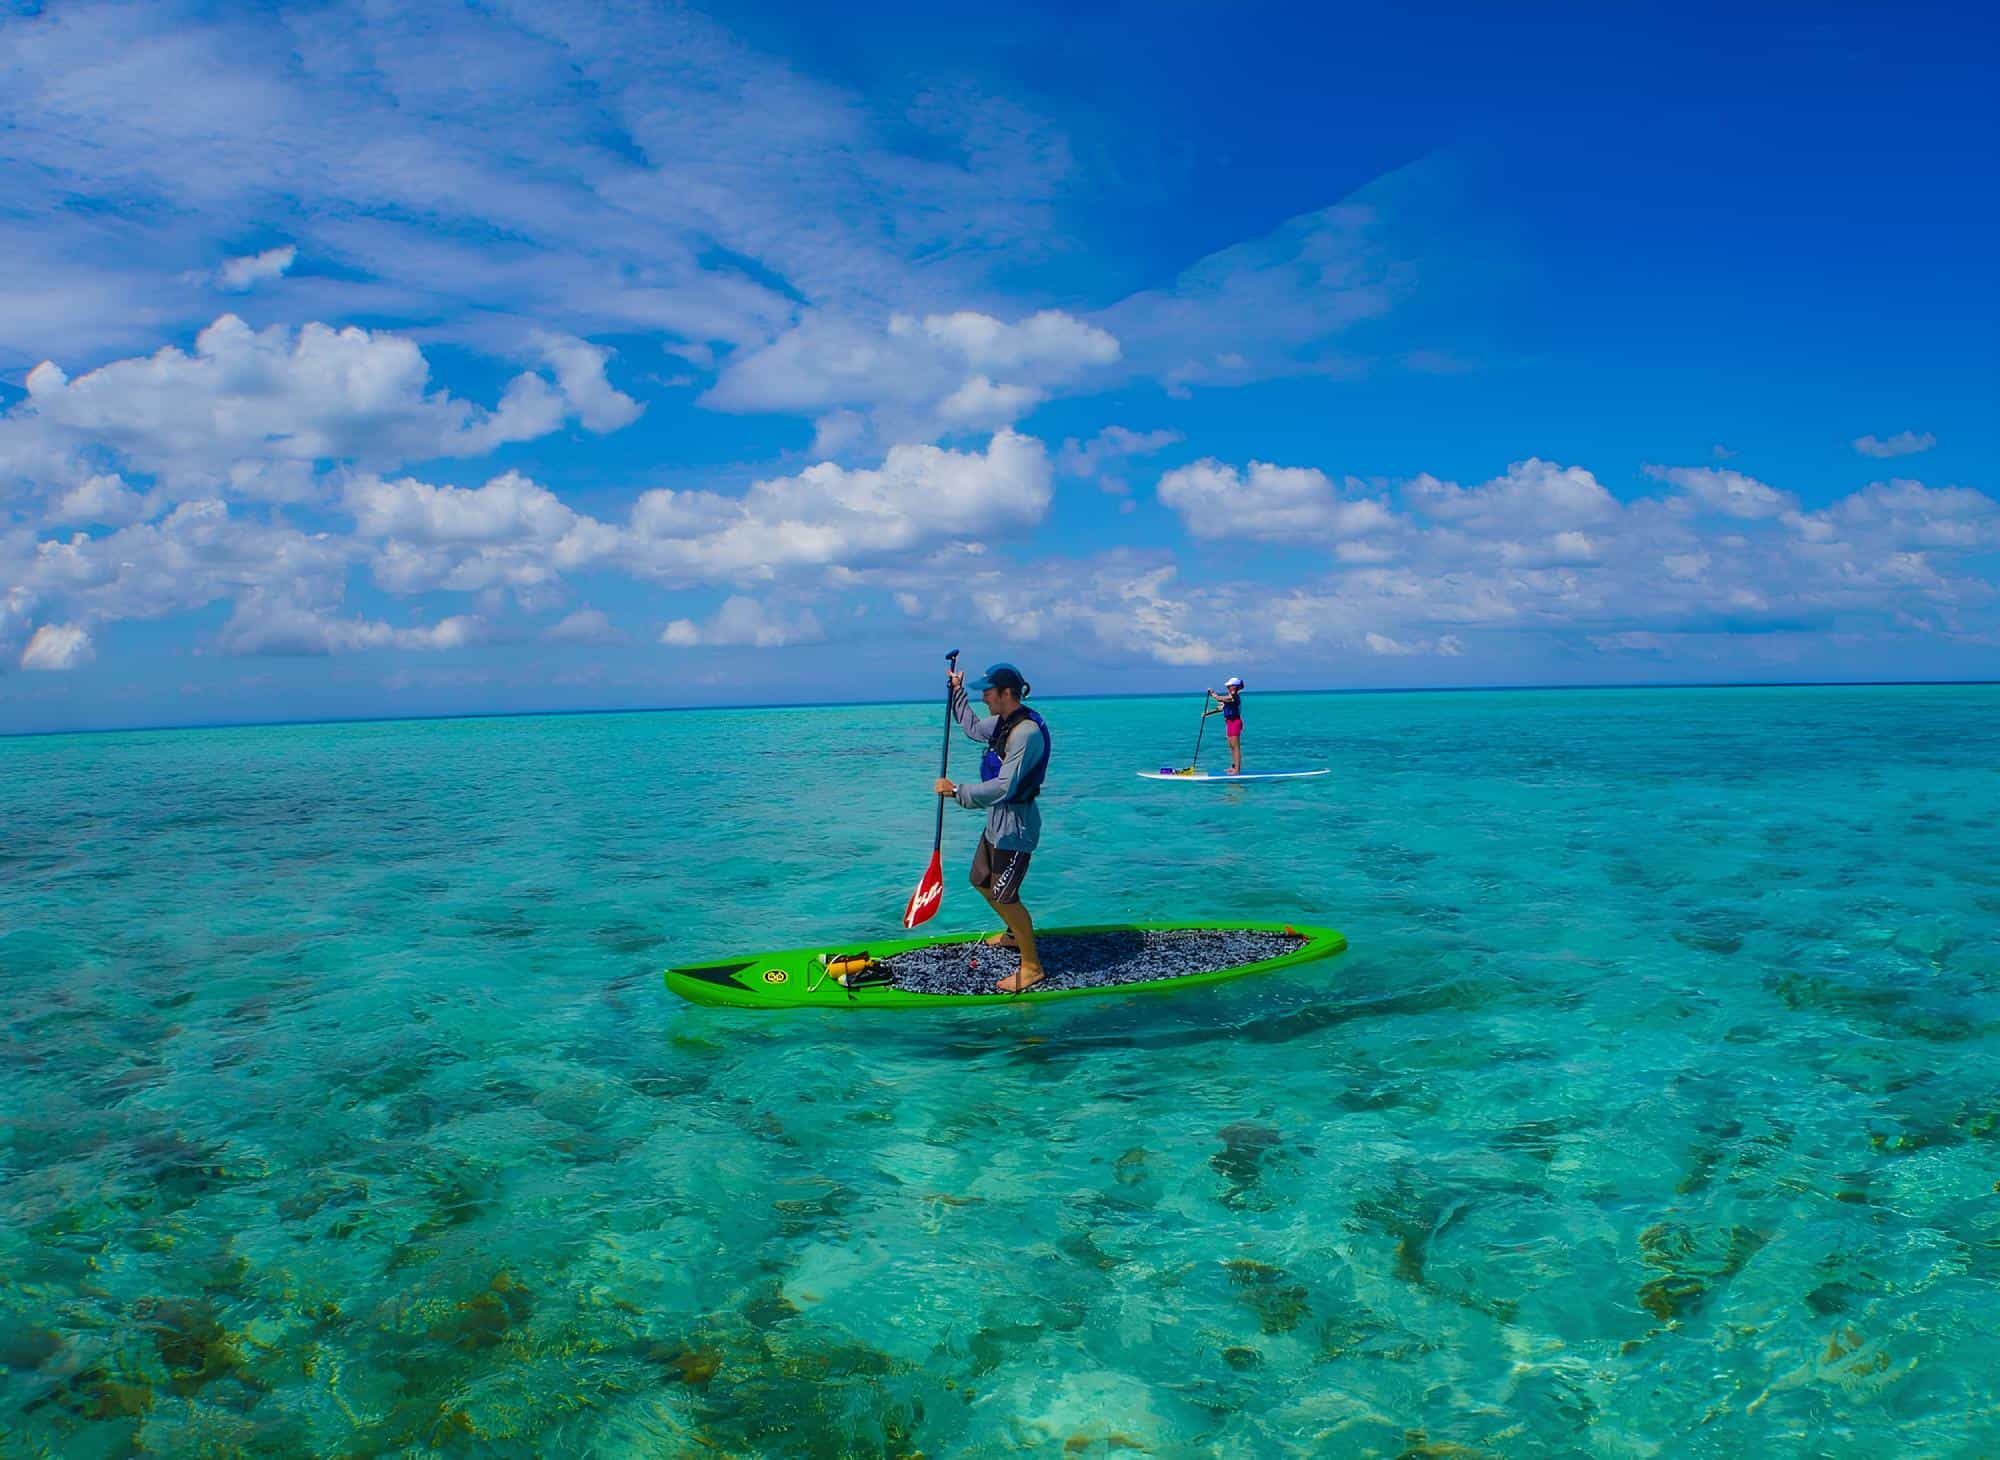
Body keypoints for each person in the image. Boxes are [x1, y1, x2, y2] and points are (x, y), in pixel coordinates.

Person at [934, 661, 1051, 992]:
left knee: (1004, 894)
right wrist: (957, 691)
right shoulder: (1003, 722)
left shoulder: (1025, 733)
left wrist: (957, 791)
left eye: (988, 691)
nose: (984, 697)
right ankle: (1015, 935)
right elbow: (972, 728)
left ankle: (1032, 967)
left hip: (1017, 828)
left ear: (1007, 693)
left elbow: (1004, 787)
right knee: (980, 879)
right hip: (997, 821)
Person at [1206, 676, 1245, 774]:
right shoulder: (1229, 697)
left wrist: (1212, 693)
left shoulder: (1234, 697)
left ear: (1235, 687)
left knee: (1235, 747)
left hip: (1235, 722)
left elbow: (1219, 699)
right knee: (1231, 746)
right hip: (1229, 722)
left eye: (1230, 686)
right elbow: (1220, 708)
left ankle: (1237, 770)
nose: (1228, 688)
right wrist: (1208, 713)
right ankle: (1233, 767)